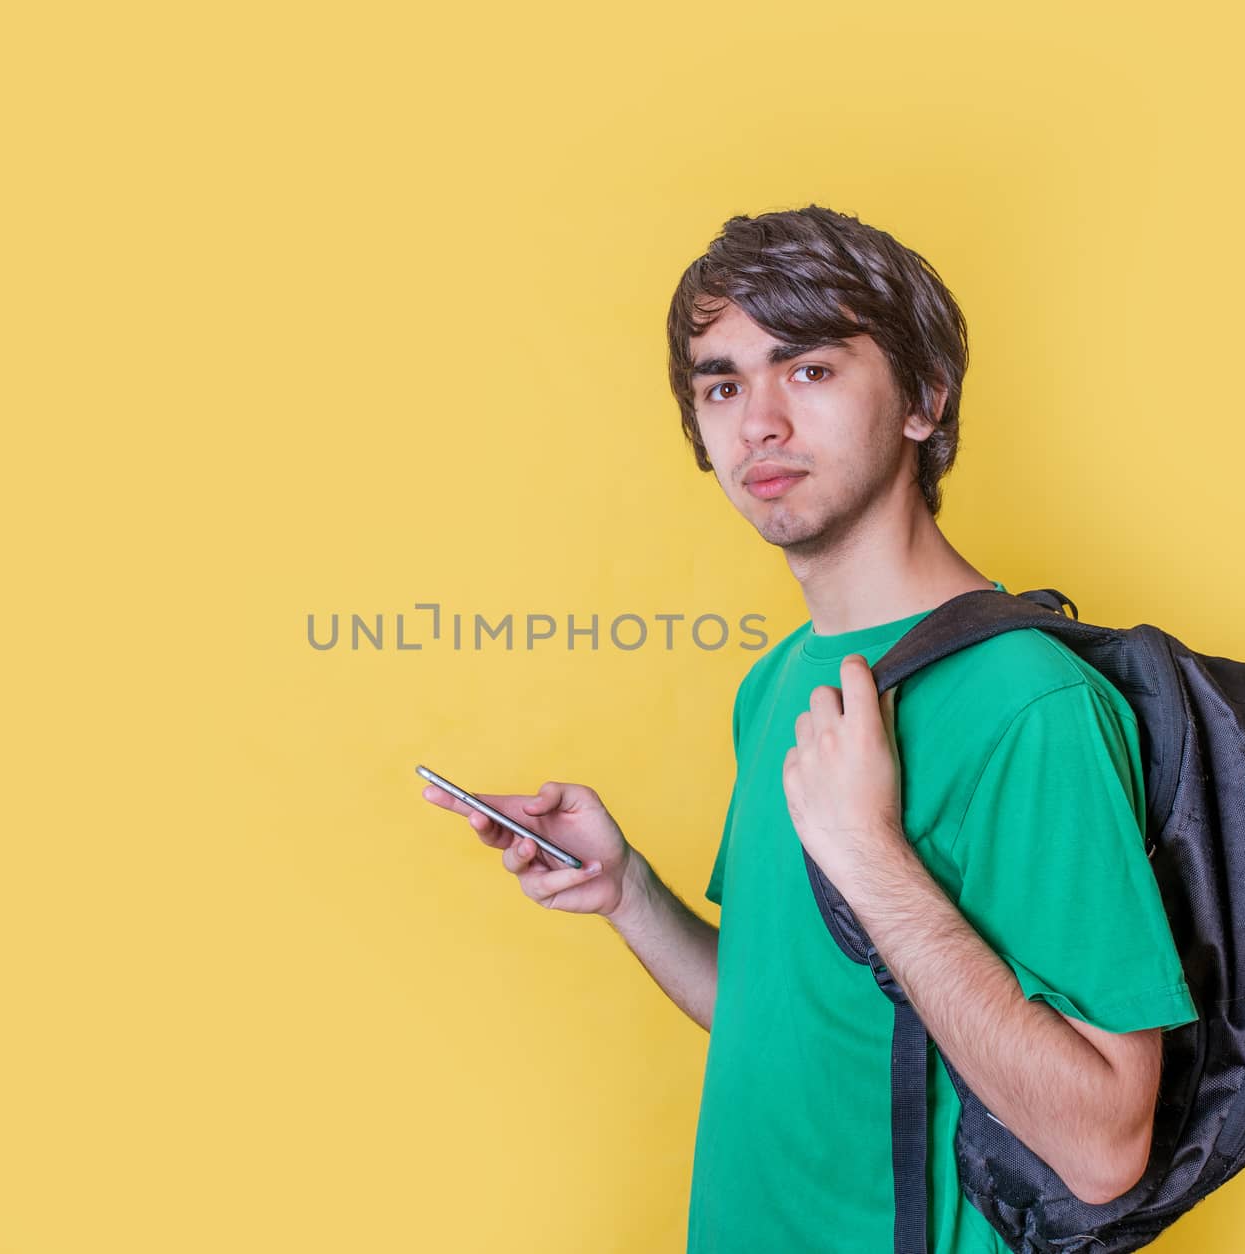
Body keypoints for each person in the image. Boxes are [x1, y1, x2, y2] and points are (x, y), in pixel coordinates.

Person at [420, 205, 1197, 1253]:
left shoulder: (1031, 704)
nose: (760, 424)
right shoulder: (777, 682)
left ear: (924, 399)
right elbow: (793, 1027)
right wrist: (629, 893)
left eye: (810, 370)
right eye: (722, 383)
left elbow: (1105, 1145)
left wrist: (869, 852)